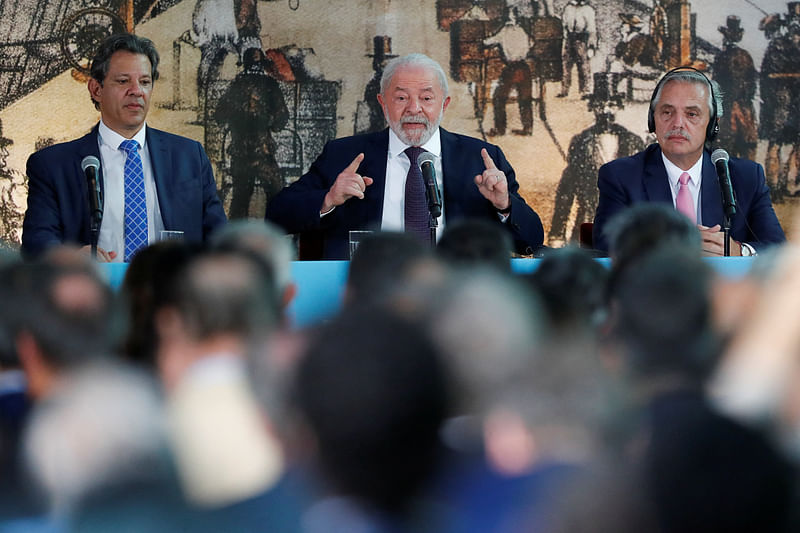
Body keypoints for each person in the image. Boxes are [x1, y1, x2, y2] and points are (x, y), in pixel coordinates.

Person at [265, 53, 544, 260]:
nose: (414, 109)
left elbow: (531, 240)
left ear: (444, 104)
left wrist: (504, 205)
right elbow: (277, 215)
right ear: (382, 103)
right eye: (401, 98)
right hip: (371, 294)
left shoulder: (481, 159)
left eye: (426, 98)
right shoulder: (344, 155)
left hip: (456, 295)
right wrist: (329, 199)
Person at [21, 33, 227, 262]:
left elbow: (218, 239)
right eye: (123, 81)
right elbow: (36, 243)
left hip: (172, 292)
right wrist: (72, 257)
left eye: (145, 82)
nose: (136, 91)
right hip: (93, 291)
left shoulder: (189, 156)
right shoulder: (53, 165)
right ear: (96, 90)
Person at [592, 68, 785, 255]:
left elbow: (778, 250)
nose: (677, 124)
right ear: (653, 120)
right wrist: (679, 246)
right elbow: (607, 246)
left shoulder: (746, 177)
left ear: (713, 124)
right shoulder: (621, 176)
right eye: (667, 112)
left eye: (691, 114)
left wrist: (740, 252)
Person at [549, 72, 644, 245]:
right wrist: (557, 233)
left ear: (618, 107)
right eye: (600, 104)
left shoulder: (634, 142)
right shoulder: (581, 142)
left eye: (611, 104)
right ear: (592, 107)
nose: (606, 110)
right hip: (588, 224)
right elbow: (566, 189)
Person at [216, 47, 289, 218]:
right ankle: (274, 236)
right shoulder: (270, 85)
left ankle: (235, 240)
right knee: (276, 194)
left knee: (240, 198)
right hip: (263, 153)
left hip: (240, 152)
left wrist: (236, 120)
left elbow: (219, 114)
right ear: (262, 64)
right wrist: (269, 123)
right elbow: (282, 117)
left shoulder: (236, 85)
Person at [712, 16, 758, 160]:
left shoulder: (722, 57)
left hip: (728, 111)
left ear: (726, 38)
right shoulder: (746, 56)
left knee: (725, 148)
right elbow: (752, 84)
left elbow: (716, 85)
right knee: (747, 148)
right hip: (745, 109)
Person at [557, 0, 597, 98]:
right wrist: (565, 39)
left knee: (584, 66)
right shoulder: (568, 8)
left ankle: (585, 91)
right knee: (566, 65)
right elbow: (564, 25)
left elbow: (592, 29)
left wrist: (591, 45)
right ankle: (564, 90)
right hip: (569, 39)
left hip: (582, 39)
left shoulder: (588, 9)